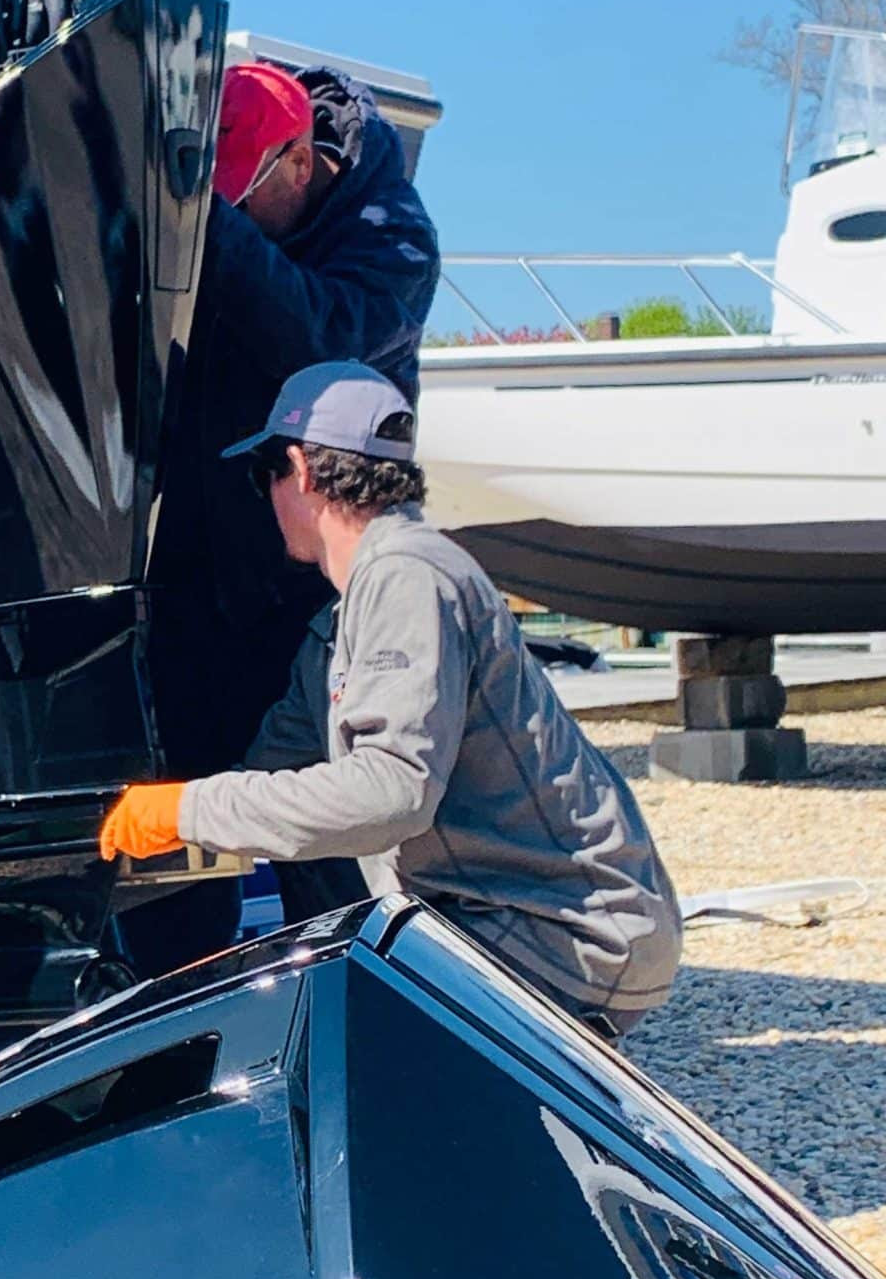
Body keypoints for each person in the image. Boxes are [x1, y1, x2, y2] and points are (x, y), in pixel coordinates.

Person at [105, 362, 683, 1038]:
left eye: (264, 475)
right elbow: (272, 781)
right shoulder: (343, 622)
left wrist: (185, 807)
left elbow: (389, 794)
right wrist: (116, 853)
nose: (263, 497)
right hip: (532, 915)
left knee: (319, 1044)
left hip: (563, 930)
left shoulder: (407, 576)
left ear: (301, 468)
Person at [135, 60, 442, 969]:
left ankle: (359, 999)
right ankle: (168, 1008)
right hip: (206, 561)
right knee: (187, 794)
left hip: (317, 578)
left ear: (301, 165)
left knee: (331, 813)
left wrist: (213, 227)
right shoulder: (245, 220)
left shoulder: (393, 239)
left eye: (239, 197)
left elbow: (322, 340)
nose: (214, 224)